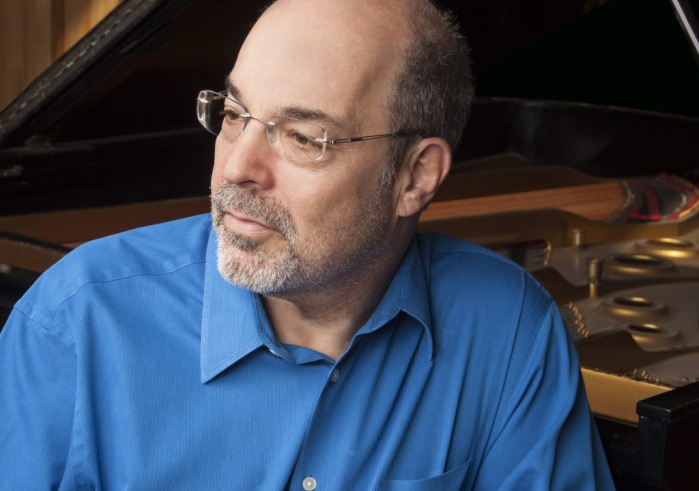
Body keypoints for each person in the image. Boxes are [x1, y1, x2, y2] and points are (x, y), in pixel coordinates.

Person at [0, 0, 615, 489]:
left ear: (416, 176)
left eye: (303, 137)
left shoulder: (508, 329)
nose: (237, 167)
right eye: (235, 114)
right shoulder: (74, 323)